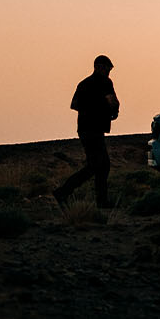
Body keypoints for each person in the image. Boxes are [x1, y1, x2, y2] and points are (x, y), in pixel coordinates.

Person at [54, 55, 120, 209]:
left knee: (100, 165)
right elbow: (113, 102)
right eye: (107, 68)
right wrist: (110, 111)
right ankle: (64, 192)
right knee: (98, 165)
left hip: (84, 129)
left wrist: (88, 109)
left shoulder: (83, 84)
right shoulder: (105, 82)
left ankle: (100, 201)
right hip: (94, 129)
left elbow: (74, 104)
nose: (108, 71)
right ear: (98, 67)